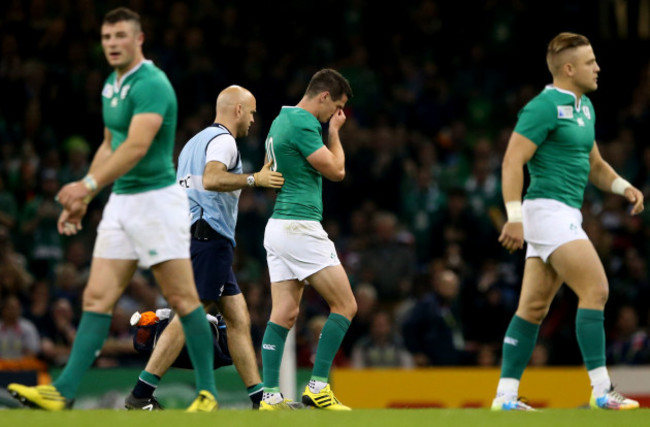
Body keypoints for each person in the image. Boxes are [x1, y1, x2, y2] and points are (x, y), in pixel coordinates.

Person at [7, 7, 218, 412]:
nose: (112, 44)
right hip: (121, 201)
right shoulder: (110, 85)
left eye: (120, 36)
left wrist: (86, 184)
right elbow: (109, 143)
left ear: (138, 39)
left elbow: (136, 146)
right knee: (96, 297)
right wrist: (85, 197)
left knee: (182, 298)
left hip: (157, 201)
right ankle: (63, 390)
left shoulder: (153, 84)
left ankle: (207, 392)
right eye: (106, 38)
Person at [492, 32, 643, 411]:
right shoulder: (542, 107)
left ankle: (505, 398)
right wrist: (514, 218)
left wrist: (623, 186)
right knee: (597, 289)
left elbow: (595, 166)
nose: (598, 67)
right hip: (546, 211)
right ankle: (601, 391)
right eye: (591, 62)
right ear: (569, 68)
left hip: (563, 213)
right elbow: (512, 161)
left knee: (533, 308)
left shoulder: (585, 107)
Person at [124, 85, 284, 410]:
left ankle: (259, 399)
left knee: (238, 319)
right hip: (208, 238)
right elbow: (212, 179)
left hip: (193, 238)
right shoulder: (224, 142)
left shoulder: (192, 144)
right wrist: (256, 179)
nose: (254, 119)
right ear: (238, 109)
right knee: (191, 316)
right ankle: (140, 395)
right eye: (251, 112)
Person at [259, 69, 355, 411]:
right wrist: (334, 134)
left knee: (284, 312)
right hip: (300, 225)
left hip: (278, 226)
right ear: (324, 96)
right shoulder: (303, 123)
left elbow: (269, 172)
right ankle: (318, 387)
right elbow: (336, 171)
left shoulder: (277, 122)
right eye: (337, 107)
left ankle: (269, 396)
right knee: (346, 305)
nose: (335, 115)